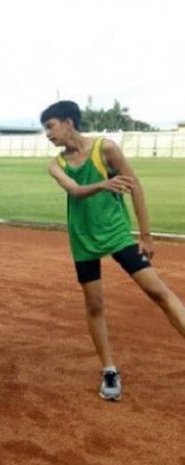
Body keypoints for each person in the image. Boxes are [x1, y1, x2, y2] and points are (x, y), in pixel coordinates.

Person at [42, 100, 185, 401]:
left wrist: (145, 234)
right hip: (83, 240)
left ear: (68, 122)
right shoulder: (57, 164)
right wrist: (103, 186)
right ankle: (109, 369)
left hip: (117, 234)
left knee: (157, 291)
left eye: (50, 126)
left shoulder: (105, 148)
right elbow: (76, 191)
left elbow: (135, 186)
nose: (48, 134)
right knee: (94, 305)